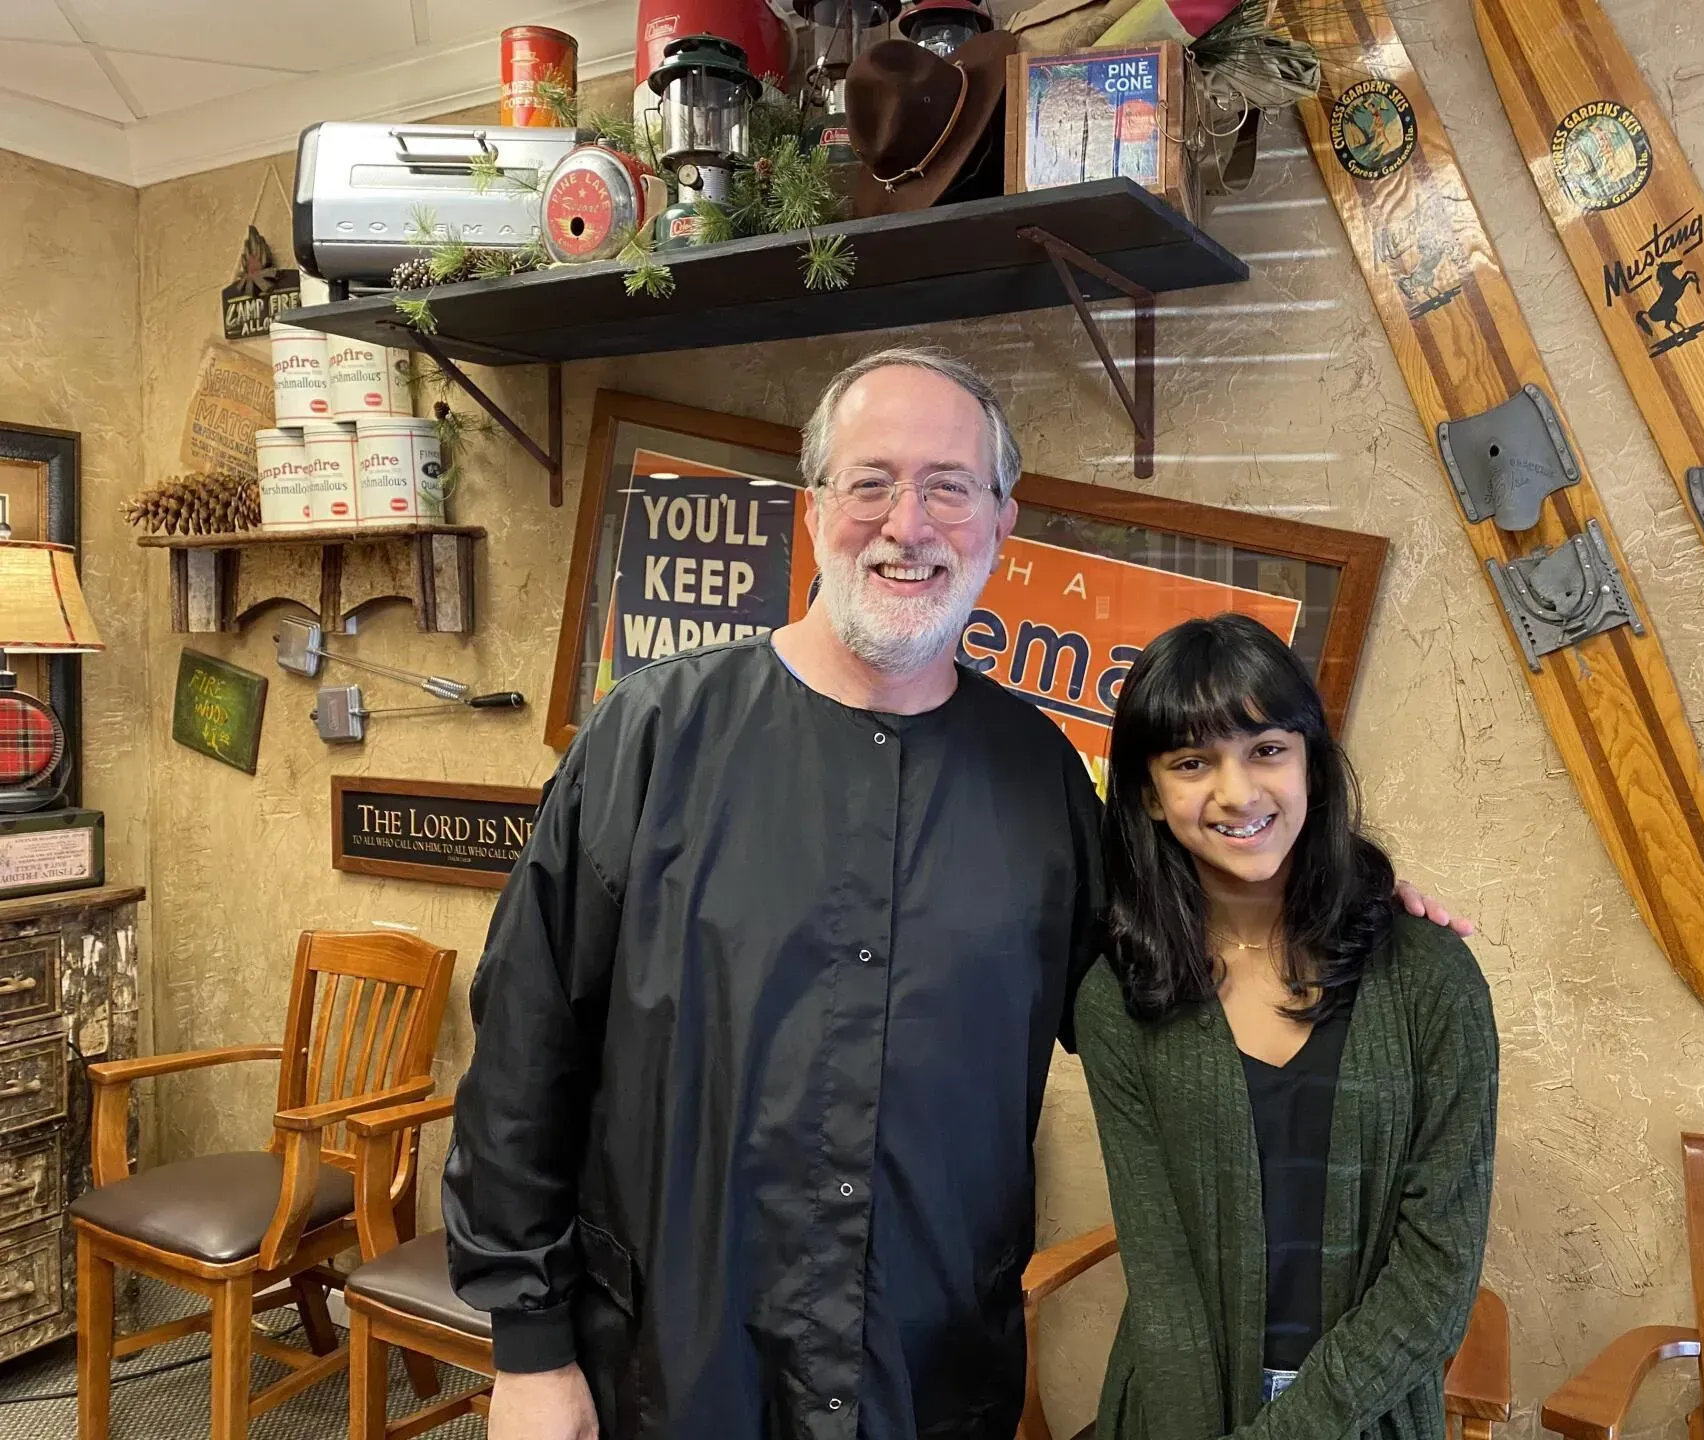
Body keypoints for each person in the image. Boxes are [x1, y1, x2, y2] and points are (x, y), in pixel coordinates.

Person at [444, 346, 1469, 1440]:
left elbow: (1172, 968)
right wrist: (530, 1350)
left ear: (1001, 521)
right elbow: (525, 1044)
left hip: (929, 1372)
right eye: (872, 481)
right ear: (813, 510)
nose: (908, 523)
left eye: (948, 487)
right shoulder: (651, 740)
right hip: (672, 1365)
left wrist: (1353, 903)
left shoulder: (1040, 778)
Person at [1075, 613, 1498, 1440]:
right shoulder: (1120, 996)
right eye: (1192, 763)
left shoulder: (1430, 977)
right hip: (1177, 1411)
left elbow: (1439, 1269)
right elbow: (1161, 1273)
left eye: (1267, 749)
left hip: (1367, 1415)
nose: (1238, 793)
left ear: (1311, 765)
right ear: (1151, 797)